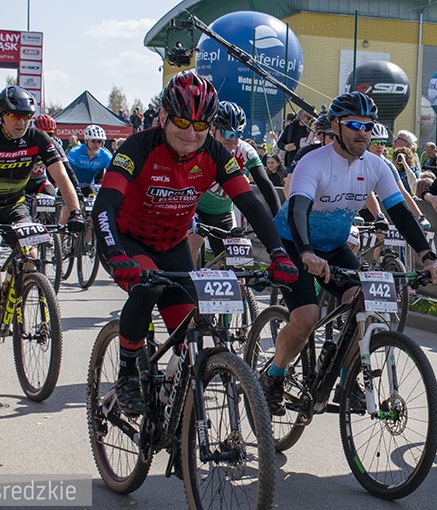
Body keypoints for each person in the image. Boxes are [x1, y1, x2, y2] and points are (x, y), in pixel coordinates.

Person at [92, 71, 297, 414]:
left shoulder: (215, 153)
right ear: (162, 117)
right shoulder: (138, 147)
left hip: (172, 245)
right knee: (147, 288)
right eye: (182, 122)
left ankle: (177, 420)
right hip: (128, 241)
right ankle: (127, 373)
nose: (191, 133)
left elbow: (249, 203)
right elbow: (105, 204)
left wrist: (278, 253)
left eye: (201, 125)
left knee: (188, 337)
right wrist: (114, 253)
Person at [262, 91, 437, 416]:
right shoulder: (313, 162)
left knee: (364, 304)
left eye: (368, 125)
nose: (363, 131)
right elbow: (298, 209)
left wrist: (427, 256)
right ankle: (273, 375)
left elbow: (400, 214)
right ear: (336, 126)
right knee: (306, 319)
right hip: (294, 242)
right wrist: (305, 252)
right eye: (354, 124)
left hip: (332, 247)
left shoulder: (376, 165)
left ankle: (348, 381)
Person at [0, 86, 84, 347]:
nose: (22, 122)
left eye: (27, 116)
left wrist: (76, 212)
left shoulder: (39, 138)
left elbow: (61, 177)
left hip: (15, 205)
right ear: (3, 115)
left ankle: (12, 296)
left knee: (31, 257)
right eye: (15, 116)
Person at [189, 101, 281, 263]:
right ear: (213, 129)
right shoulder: (200, 146)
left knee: (234, 262)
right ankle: (187, 284)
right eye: (225, 133)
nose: (232, 139)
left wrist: (279, 218)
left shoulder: (246, 151)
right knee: (194, 242)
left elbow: (265, 185)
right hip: (197, 209)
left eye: (237, 134)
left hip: (223, 212)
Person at [26, 114, 80, 203]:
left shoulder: (54, 145)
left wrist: (77, 190)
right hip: (23, 182)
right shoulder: (25, 142)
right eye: (42, 133)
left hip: (40, 181)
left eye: (49, 134)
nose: (46, 137)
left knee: (54, 201)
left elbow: (68, 170)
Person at [67, 125, 112, 196]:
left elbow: (112, 174)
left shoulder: (106, 156)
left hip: (88, 185)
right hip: (70, 184)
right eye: (94, 141)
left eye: (100, 141)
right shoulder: (75, 152)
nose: (97, 144)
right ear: (86, 140)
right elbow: (67, 170)